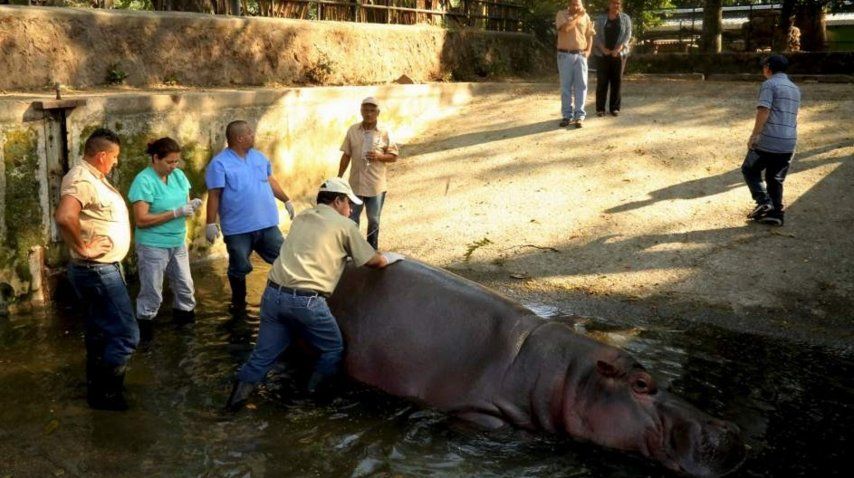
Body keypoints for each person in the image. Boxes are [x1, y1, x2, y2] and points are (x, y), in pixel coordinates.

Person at [225, 178, 399, 412]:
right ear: (338, 201)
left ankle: (230, 408)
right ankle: (309, 401)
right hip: (306, 302)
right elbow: (373, 261)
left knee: (261, 357)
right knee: (332, 348)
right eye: (349, 204)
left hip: (273, 295)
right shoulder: (344, 226)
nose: (350, 210)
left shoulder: (302, 218)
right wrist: (392, 257)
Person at [55, 128, 137, 410]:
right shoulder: (81, 179)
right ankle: (110, 396)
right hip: (97, 269)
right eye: (114, 157)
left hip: (102, 268)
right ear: (102, 156)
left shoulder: (94, 177)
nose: (116, 162)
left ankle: (96, 394)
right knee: (126, 335)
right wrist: (84, 248)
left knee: (100, 332)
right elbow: (65, 216)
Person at [204, 120, 296, 315]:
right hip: (238, 228)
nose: (253, 136)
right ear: (239, 138)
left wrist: (286, 200)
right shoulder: (219, 164)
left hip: (267, 225)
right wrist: (210, 223)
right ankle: (238, 302)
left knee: (285, 259)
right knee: (240, 266)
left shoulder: (259, 158)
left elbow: (271, 180)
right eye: (249, 134)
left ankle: (288, 298)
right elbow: (214, 195)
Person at [127, 137, 202, 342]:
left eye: (177, 161)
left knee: (185, 287)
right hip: (153, 245)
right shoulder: (144, 180)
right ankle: (145, 336)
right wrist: (175, 213)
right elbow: (141, 220)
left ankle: (186, 334)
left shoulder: (179, 176)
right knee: (152, 293)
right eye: (169, 162)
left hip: (177, 241)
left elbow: (184, 203)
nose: (174, 166)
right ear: (155, 158)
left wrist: (190, 208)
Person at [742, 54, 801, 226]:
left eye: (764, 66)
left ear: (768, 67)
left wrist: (755, 135)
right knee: (775, 178)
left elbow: (763, 111)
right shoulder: (795, 88)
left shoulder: (769, 84)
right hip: (789, 142)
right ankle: (775, 213)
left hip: (769, 140)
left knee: (749, 169)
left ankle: (764, 202)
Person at [337, 96, 399, 249]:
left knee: (374, 220)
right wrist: (339, 176)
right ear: (361, 111)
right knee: (351, 219)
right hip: (355, 185)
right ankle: (354, 250)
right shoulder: (353, 130)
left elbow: (394, 156)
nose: (368, 113)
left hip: (375, 186)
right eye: (366, 110)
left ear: (378, 113)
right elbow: (346, 155)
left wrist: (379, 156)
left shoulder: (384, 132)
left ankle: (372, 251)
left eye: (372, 110)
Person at [556, 0, 595, 129]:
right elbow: (566, 28)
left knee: (581, 86)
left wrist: (588, 51)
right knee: (566, 87)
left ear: (582, 5)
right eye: (573, 4)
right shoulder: (561, 14)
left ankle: (579, 116)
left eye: (578, 4)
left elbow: (589, 35)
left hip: (580, 55)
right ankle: (567, 116)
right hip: (565, 55)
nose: (576, 6)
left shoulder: (586, 16)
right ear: (569, 4)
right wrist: (577, 16)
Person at [593, 0, 632, 117]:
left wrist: (618, 49)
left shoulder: (625, 18)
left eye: (618, 3)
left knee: (616, 81)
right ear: (608, 4)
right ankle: (600, 109)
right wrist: (603, 48)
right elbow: (595, 35)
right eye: (613, 3)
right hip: (602, 54)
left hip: (618, 55)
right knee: (602, 81)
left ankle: (614, 108)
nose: (616, 5)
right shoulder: (600, 18)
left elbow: (627, 35)